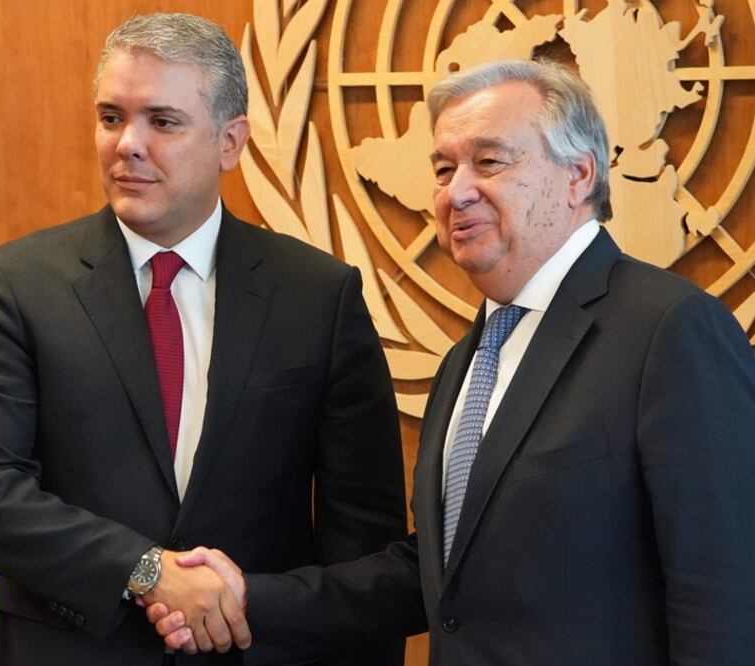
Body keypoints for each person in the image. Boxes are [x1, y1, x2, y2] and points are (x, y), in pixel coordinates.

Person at [150, 58, 755, 664]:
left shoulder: (670, 331)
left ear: (578, 175)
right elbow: (440, 571)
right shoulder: (468, 359)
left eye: (489, 161)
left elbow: (723, 595)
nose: (456, 191)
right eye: (443, 169)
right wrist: (246, 597)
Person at [0, 12, 409, 665]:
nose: (127, 143)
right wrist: (145, 569)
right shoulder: (15, 286)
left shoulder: (317, 297)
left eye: (162, 121)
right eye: (110, 117)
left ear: (230, 142)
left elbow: (363, 550)